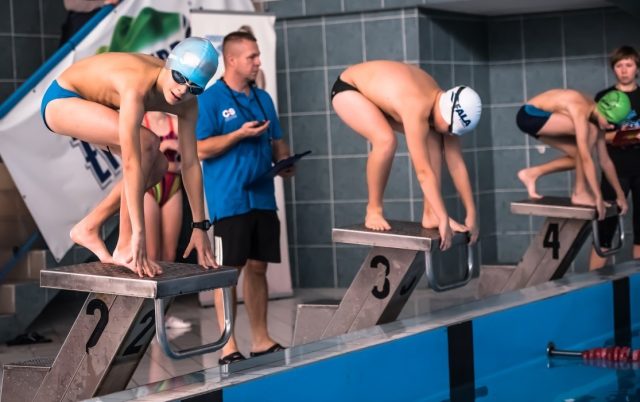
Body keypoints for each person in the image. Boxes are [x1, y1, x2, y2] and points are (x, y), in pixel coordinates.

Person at [41, 36, 219, 277]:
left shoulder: (188, 104)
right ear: (169, 64)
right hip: (62, 99)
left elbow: (190, 163)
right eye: (179, 78)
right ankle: (125, 246)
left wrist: (199, 226)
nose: (182, 90)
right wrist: (138, 233)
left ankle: (89, 227)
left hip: (97, 106)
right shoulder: (136, 84)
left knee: (159, 166)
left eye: (194, 87)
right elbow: (131, 163)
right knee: (148, 143)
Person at [196, 30, 292, 365]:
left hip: (262, 197)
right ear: (232, 60)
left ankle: (261, 340)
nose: (258, 62)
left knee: (258, 268)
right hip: (229, 200)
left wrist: (285, 161)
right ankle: (228, 346)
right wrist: (237, 135)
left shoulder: (263, 98)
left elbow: (278, 140)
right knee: (228, 272)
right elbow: (199, 149)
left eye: (258, 56)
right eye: (252, 56)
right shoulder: (209, 100)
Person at [331, 60, 482, 248]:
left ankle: (430, 214)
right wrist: (444, 217)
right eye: (451, 129)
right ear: (447, 115)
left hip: (381, 99)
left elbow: (457, 163)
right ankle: (373, 210)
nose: (451, 134)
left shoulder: (444, 104)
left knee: (434, 138)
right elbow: (423, 172)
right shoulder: (417, 107)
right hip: (349, 89)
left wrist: (471, 214)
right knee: (385, 140)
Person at [515, 89, 629, 221]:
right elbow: (586, 158)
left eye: (615, 125)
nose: (611, 127)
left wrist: (620, 195)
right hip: (529, 114)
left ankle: (531, 174)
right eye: (611, 122)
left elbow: (605, 161)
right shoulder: (581, 109)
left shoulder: (598, 117)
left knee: (577, 155)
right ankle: (580, 192)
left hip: (541, 118)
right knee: (590, 132)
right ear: (605, 112)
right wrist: (598, 196)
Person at [590, 46, 640, 270]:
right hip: (615, 170)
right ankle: (592, 285)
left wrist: (621, 136)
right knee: (605, 230)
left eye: (629, 65)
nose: (624, 70)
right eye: (619, 65)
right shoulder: (603, 98)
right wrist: (632, 135)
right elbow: (598, 137)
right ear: (613, 69)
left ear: (636, 68)